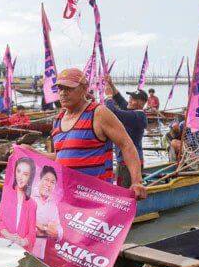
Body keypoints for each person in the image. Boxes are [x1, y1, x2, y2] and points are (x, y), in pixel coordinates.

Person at [46, 68, 147, 199]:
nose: (63, 93)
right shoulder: (57, 120)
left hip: (96, 200)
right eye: (60, 88)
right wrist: (30, 152)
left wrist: (137, 182)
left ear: (84, 88)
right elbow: (62, 157)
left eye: (69, 88)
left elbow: (126, 145)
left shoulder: (98, 113)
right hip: (68, 198)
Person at [102, 76, 148, 188]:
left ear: (141, 103)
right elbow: (120, 99)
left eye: (133, 99)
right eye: (130, 98)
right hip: (123, 161)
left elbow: (113, 112)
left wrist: (108, 97)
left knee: (126, 192)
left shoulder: (138, 116)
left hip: (130, 163)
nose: (129, 100)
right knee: (120, 187)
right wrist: (111, 85)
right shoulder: (132, 111)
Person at [0, 156, 37, 249]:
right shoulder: (6, 194)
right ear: (14, 172)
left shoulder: (32, 204)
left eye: (25, 174)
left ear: (30, 177)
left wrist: (22, 241)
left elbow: (32, 233)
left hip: (20, 250)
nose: (20, 177)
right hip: (4, 244)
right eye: (18, 171)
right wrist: (9, 236)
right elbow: (0, 222)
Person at [31, 165, 61, 259]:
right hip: (24, 247)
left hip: (42, 252)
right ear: (40, 180)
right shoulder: (29, 198)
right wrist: (46, 228)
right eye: (46, 180)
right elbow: (25, 225)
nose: (48, 184)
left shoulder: (53, 205)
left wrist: (42, 227)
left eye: (52, 182)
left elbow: (58, 232)